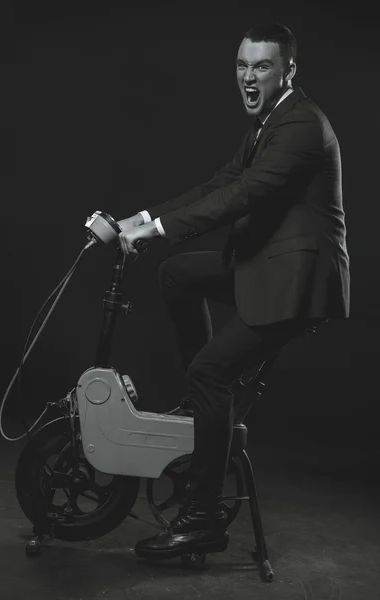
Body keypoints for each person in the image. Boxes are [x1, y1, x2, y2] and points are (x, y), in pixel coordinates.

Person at [116, 22, 350, 560]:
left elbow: (243, 196)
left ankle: (201, 519)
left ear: (288, 71)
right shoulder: (269, 122)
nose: (248, 76)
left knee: (210, 372)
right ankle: (205, 412)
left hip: (296, 284)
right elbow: (222, 181)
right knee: (177, 273)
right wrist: (144, 217)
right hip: (267, 266)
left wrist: (152, 232)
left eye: (262, 66)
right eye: (242, 65)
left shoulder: (301, 125)